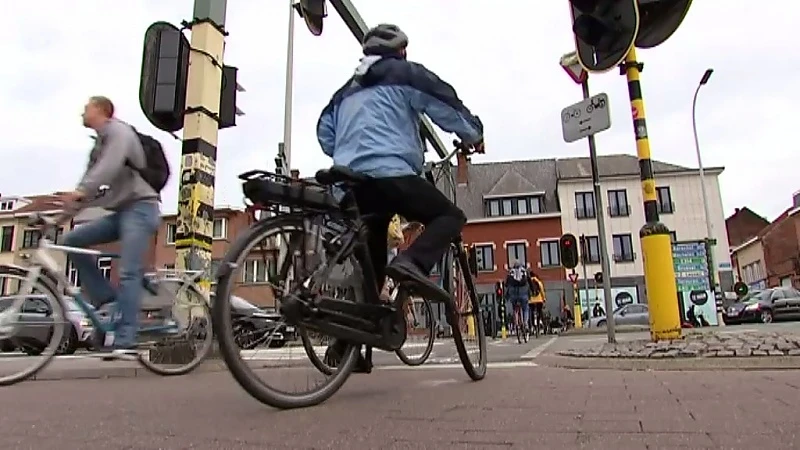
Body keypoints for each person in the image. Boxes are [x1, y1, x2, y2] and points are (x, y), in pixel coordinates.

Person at [317, 23, 483, 370]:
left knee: (372, 259)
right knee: (449, 217)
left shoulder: (344, 91)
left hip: (350, 183)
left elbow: (325, 134)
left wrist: (351, 149)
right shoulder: (404, 73)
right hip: (392, 175)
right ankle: (411, 263)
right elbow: (445, 103)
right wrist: (473, 134)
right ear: (401, 51)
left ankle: (349, 347)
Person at [59, 96, 163, 360]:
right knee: (71, 241)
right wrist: (60, 218)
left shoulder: (119, 132)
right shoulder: (98, 145)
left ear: (102, 111)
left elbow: (107, 168)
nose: (82, 112)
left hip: (141, 208)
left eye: (87, 108)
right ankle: (108, 299)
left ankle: (127, 339)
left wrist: (81, 191)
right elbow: (88, 186)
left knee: (127, 272)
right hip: (121, 212)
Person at [505, 261, 531, 336]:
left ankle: (516, 324)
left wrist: (506, 295)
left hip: (513, 294)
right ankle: (525, 323)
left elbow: (507, 284)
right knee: (525, 308)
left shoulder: (511, 272)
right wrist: (532, 291)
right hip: (523, 293)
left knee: (515, 308)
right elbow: (529, 281)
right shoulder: (524, 271)